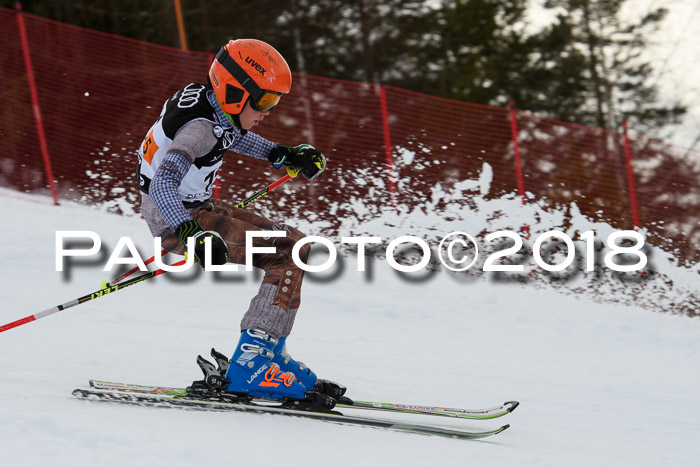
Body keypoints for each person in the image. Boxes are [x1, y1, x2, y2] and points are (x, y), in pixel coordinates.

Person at [136, 39, 342, 408]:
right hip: (178, 218)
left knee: (297, 243)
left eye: (274, 102)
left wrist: (281, 154)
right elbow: (164, 182)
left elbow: (232, 136)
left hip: (197, 206)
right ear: (234, 92)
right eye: (264, 101)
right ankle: (252, 364)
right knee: (288, 252)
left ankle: (270, 352)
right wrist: (190, 233)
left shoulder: (211, 104)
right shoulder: (197, 130)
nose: (269, 110)